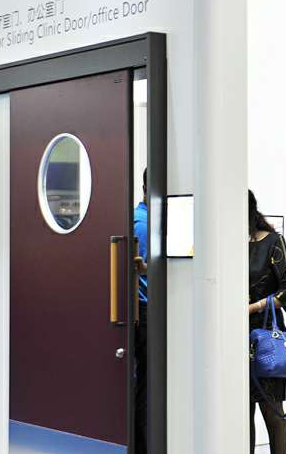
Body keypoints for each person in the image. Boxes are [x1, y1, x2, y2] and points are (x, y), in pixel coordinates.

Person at [247, 190, 286, 454]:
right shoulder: (225, 242)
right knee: (240, 412)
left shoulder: (272, 241)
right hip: (232, 335)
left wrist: (255, 306)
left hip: (267, 335)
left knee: (272, 410)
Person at [133, 169, 149, 454]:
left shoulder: (137, 218)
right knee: (147, 387)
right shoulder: (145, 225)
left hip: (141, 310)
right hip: (146, 312)